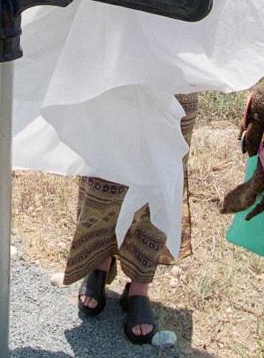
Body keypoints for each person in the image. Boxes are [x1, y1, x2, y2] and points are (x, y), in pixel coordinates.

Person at [64, 93, 197, 345]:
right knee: (105, 165)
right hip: (116, 66)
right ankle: (98, 262)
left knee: (160, 175)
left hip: (178, 72)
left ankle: (139, 287)